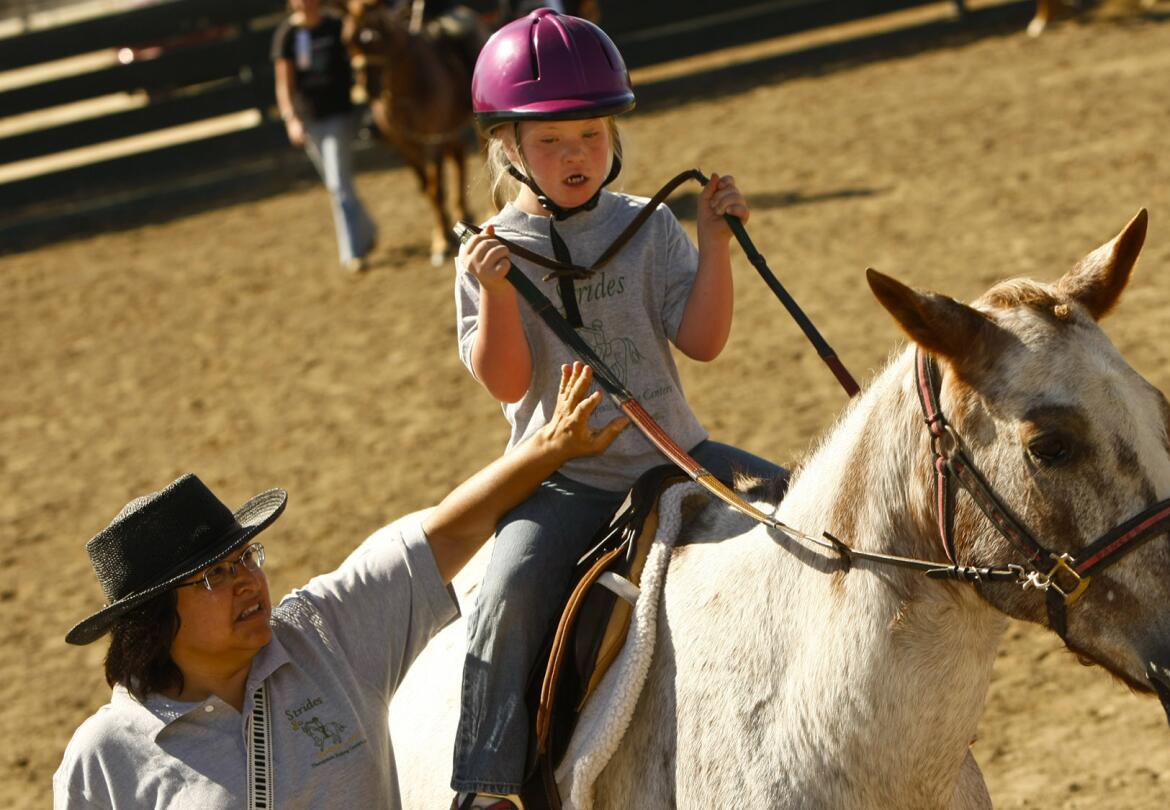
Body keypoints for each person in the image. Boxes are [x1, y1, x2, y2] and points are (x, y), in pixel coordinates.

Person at [449, 9, 784, 807]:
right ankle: (487, 785)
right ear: (509, 149)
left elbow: (702, 341)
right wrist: (496, 293)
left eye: (592, 136)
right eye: (553, 142)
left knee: (805, 514)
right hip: (563, 481)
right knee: (505, 592)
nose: (576, 157)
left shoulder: (646, 225)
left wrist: (714, 246)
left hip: (679, 453)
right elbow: (505, 383)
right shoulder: (488, 251)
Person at [53, 363, 626, 808]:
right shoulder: (102, 757)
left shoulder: (325, 634)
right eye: (215, 575)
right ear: (155, 618)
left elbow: (445, 537)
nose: (249, 579)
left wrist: (550, 448)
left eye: (246, 557)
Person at [272, 0, 377, 273]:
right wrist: (291, 118)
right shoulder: (287, 35)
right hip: (310, 121)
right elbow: (284, 84)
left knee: (338, 185)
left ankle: (352, 252)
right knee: (338, 185)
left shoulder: (334, 26)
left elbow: (356, 57)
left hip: (339, 117)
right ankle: (368, 230)